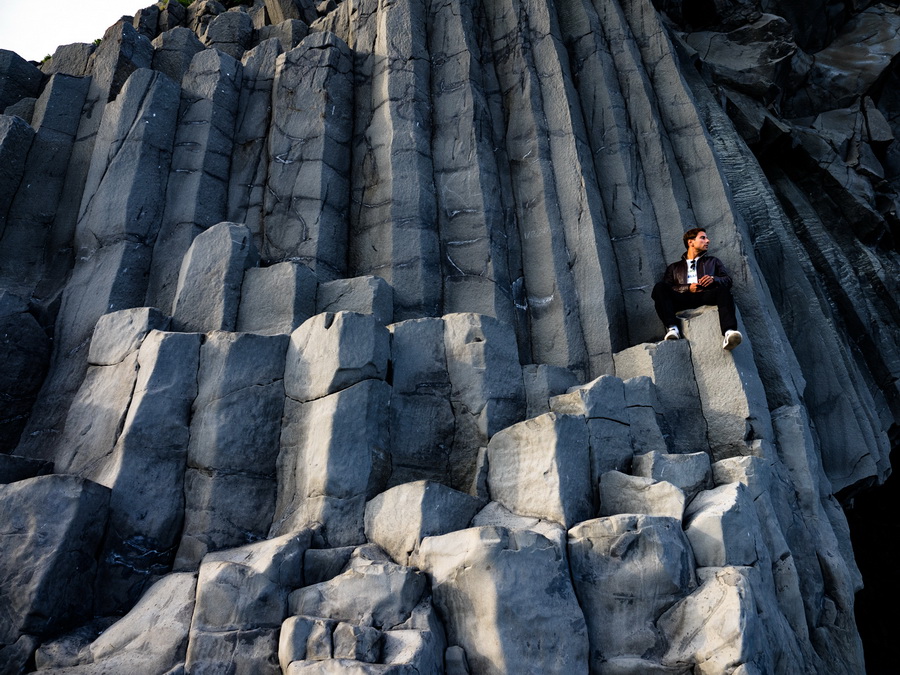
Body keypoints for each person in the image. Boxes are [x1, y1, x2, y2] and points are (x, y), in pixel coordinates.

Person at [651, 228, 743, 350]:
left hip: (705, 295)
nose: (708, 241)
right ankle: (673, 329)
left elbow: (728, 280)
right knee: (659, 287)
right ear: (691, 242)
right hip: (682, 299)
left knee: (724, 290)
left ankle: (729, 332)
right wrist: (688, 288)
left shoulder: (713, 261)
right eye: (703, 238)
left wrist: (714, 279)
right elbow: (669, 287)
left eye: (706, 238)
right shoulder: (674, 268)